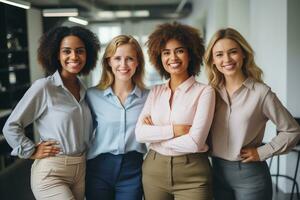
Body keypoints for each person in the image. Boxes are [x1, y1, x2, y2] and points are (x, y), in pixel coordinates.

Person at [2, 26, 100, 200]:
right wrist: (31, 151)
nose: (74, 57)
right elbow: (11, 126)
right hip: (52, 171)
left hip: (81, 170)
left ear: (88, 55)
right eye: (66, 51)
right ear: (56, 54)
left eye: (80, 51)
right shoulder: (44, 87)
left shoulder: (85, 90)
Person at [204, 27, 300, 200]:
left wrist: (263, 152)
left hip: (251, 176)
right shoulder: (210, 93)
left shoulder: (261, 93)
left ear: (243, 54)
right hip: (216, 172)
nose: (226, 59)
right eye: (219, 54)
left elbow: (292, 130)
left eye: (232, 52)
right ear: (212, 60)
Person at [135, 22, 215, 200]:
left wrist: (155, 139)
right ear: (159, 57)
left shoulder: (205, 91)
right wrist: (175, 130)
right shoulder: (155, 91)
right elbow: (140, 134)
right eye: (166, 52)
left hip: (192, 173)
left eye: (179, 50)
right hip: (154, 172)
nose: (173, 57)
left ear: (190, 54)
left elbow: (195, 142)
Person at [85, 35, 148, 200]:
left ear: (138, 62)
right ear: (108, 62)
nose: (123, 65)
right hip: (98, 169)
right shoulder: (92, 95)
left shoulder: (149, 97)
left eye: (129, 59)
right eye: (117, 58)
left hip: (133, 169)